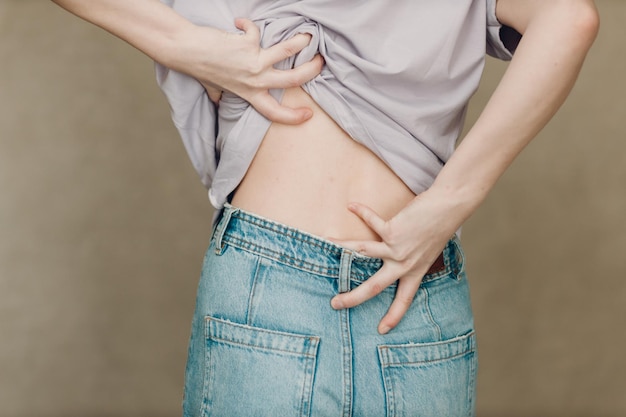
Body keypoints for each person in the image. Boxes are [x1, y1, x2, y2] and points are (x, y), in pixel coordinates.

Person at [50, 0, 599, 416]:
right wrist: (450, 201)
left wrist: (182, 41)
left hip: (275, 268)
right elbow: (569, 17)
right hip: (413, 280)